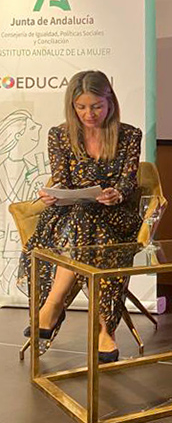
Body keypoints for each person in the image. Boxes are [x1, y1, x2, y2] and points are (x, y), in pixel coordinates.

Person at [17, 70, 143, 363]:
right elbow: (61, 178)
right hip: (70, 215)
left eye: (96, 106)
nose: (89, 114)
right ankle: (103, 331)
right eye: (81, 107)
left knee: (86, 223)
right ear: (72, 106)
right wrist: (53, 192)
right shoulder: (60, 135)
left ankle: (51, 308)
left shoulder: (129, 134)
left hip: (116, 217)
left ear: (109, 101)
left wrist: (117, 194)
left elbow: (129, 181)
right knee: (82, 219)